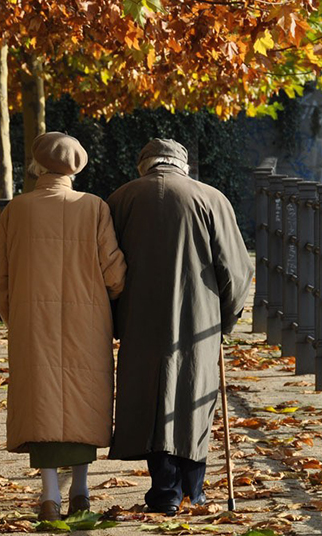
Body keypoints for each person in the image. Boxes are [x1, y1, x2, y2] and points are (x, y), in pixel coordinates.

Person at [107, 138, 253, 516]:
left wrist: (113, 315)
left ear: (145, 164)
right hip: (199, 314)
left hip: (139, 316)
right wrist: (227, 317)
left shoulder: (121, 198)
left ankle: (164, 490)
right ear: (181, 164)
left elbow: (107, 266)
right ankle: (194, 489)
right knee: (193, 396)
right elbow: (235, 271)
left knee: (151, 398)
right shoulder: (211, 198)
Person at [0, 132, 127, 522]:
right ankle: (81, 489)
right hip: (88, 321)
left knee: (42, 402)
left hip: (34, 324)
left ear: (37, 166)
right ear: (76, 167)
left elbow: (0, 278)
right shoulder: (94, 207)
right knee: (84, 399)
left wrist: (15, 318)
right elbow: (114, 272)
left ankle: (50, 494)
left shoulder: (16, 210)